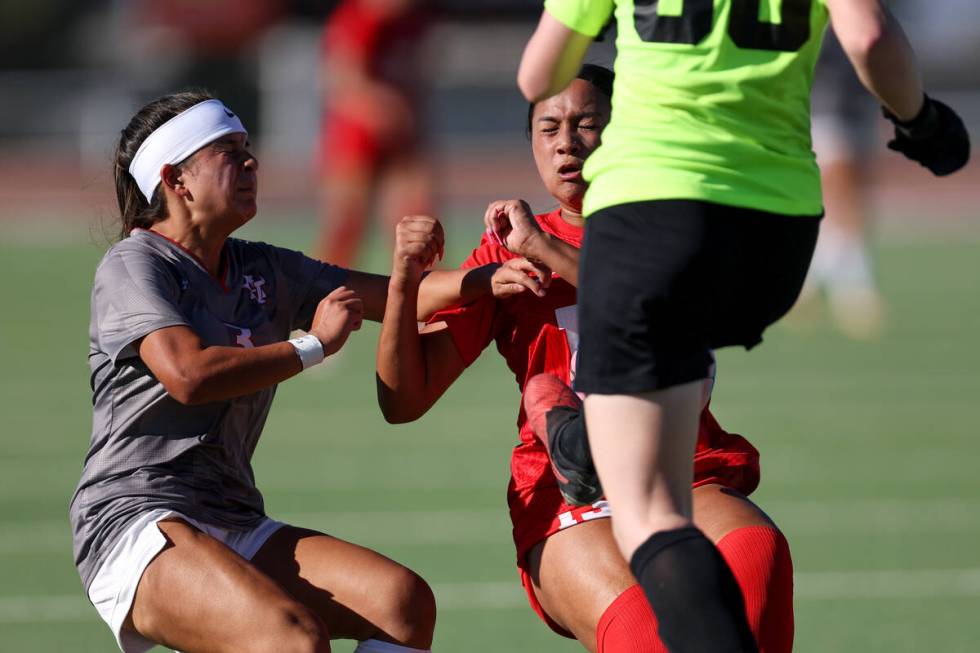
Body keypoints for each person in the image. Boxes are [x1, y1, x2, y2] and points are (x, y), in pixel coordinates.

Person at [517, 2, 969, 651]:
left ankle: (599, 433)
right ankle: (609, 425)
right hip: (776, 236)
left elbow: (540, 74)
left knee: (649, 510)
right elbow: (869, 36)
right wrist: (921, 121)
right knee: (675, 346)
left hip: (651, 217)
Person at [376, 66, 793, 652]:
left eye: (587, 123)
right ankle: (574, 442)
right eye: (548, 128)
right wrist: (403, 283)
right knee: (644, 634)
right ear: (532, 145)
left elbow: (662, 312)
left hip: (679, 467)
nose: (566, 142)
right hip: (567, 491)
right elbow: (404, 399)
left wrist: (545, 250)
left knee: (758, 554)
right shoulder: (506, 248)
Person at [69, 89, 497, 653]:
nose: (251, 162)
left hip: (229, 512)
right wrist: (311, 347)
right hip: (135, 519)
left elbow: (397, 299)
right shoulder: (135, 264)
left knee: (401, 602)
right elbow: (188, 375)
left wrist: (499, 272)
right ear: (176, 180)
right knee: (290, 639)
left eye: (248, 147)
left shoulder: (261, 266)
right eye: (227, 150)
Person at [314, 0, 434, 266]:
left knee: (419, 224)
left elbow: (414, 75)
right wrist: (385, 109)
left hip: (401, 139)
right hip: (355, 139)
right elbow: (342, 84)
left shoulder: (411, 21)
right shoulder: (357, 19)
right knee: (345, 229)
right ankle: (316, 299)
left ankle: (428, 299)